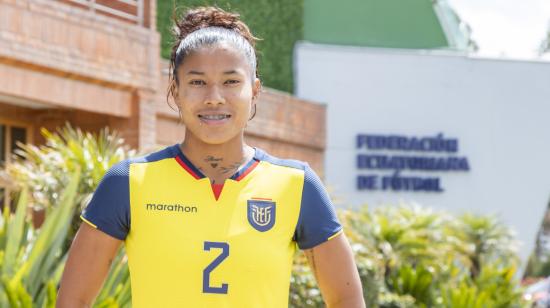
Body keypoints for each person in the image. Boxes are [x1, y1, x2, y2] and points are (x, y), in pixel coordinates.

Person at [57, 6, 364, 308]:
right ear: (175, 90)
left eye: (231, 81)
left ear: (255, 90)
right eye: (197, 82)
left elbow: (346, 298)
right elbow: (73, 300)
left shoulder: (297, 185)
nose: (214, 97)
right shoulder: (127, 183)